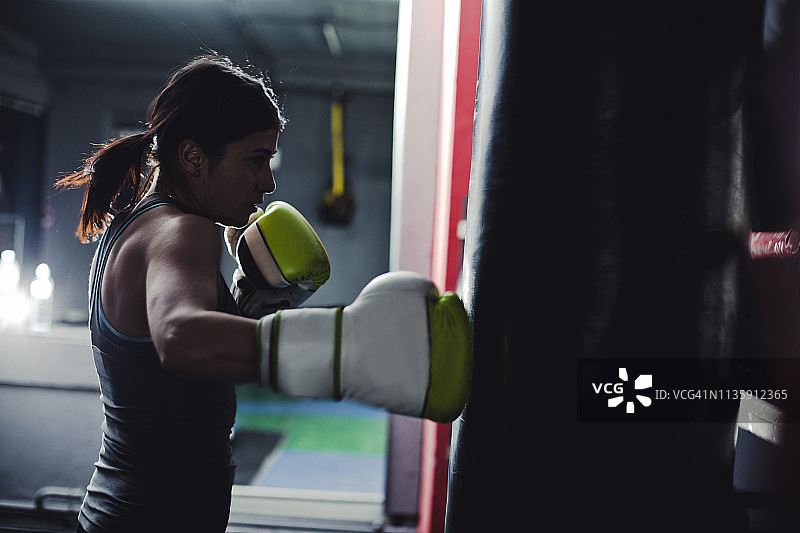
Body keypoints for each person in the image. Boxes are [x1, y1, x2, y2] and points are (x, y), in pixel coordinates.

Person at [56, 53, 285, 533]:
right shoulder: (184, 231)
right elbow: (180, 337)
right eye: (257, 159)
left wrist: (247, 302)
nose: (269, 181)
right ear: (193, 158)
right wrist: (342, 346)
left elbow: (173, 374)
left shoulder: (138, 224)